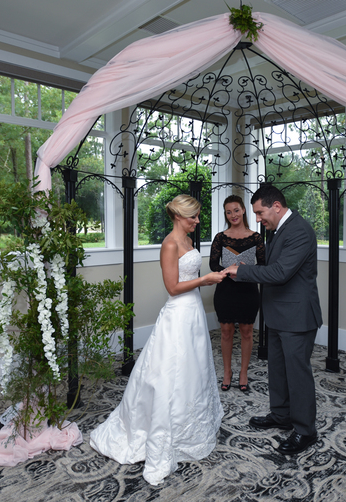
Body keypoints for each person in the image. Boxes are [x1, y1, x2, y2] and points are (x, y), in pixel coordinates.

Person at [90, 194, 227, 486]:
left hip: (193, 313)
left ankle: (193, 425)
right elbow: (173, 286)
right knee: (170, 370)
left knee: (195, 368)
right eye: (194, 217)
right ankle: (162, 431)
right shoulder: (169, 244)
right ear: (180, 216)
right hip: (178, 313)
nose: (198, 222)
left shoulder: (188, 242)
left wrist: (207, 280)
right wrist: (206, 280)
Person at [223, 185, 322, 456]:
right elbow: (270, 268)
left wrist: (241, 272)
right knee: (277, 370)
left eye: (259, 212)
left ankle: (305, 430)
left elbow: (279, 273)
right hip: (279, 314)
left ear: (276, 206)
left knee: (297, 374)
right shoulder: (277, 230)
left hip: (297, 316)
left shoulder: (299, 231)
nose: (257, 219)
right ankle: (281, 415)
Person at [210, 195, 266, 392]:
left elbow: (263, 265)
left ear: (243, 210)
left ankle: (243, 372)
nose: (233, 214)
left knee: (247, 331)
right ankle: (227, 372)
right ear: (225, 214)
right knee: (226, 332)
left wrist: (246, 268)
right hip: (226, 289)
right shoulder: (221, 237)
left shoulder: (256, 237)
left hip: (248, 289)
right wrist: (228, 267)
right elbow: (213, 264)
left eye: (236, 210)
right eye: (228, 212)